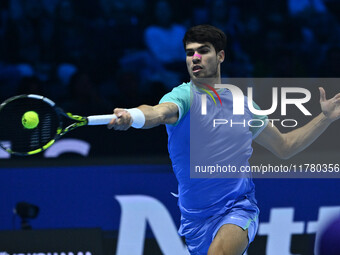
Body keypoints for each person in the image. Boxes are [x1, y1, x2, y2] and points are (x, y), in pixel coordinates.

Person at [108, 25, 340, 255]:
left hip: (238, 207)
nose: (195, 58)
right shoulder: (182, 97)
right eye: (190, 53)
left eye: (203, 51)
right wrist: (134, 116)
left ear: (220, 56)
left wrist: (325, 118)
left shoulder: (243, 104)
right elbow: (158, 112)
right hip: (195, 220)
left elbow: (285, 147)